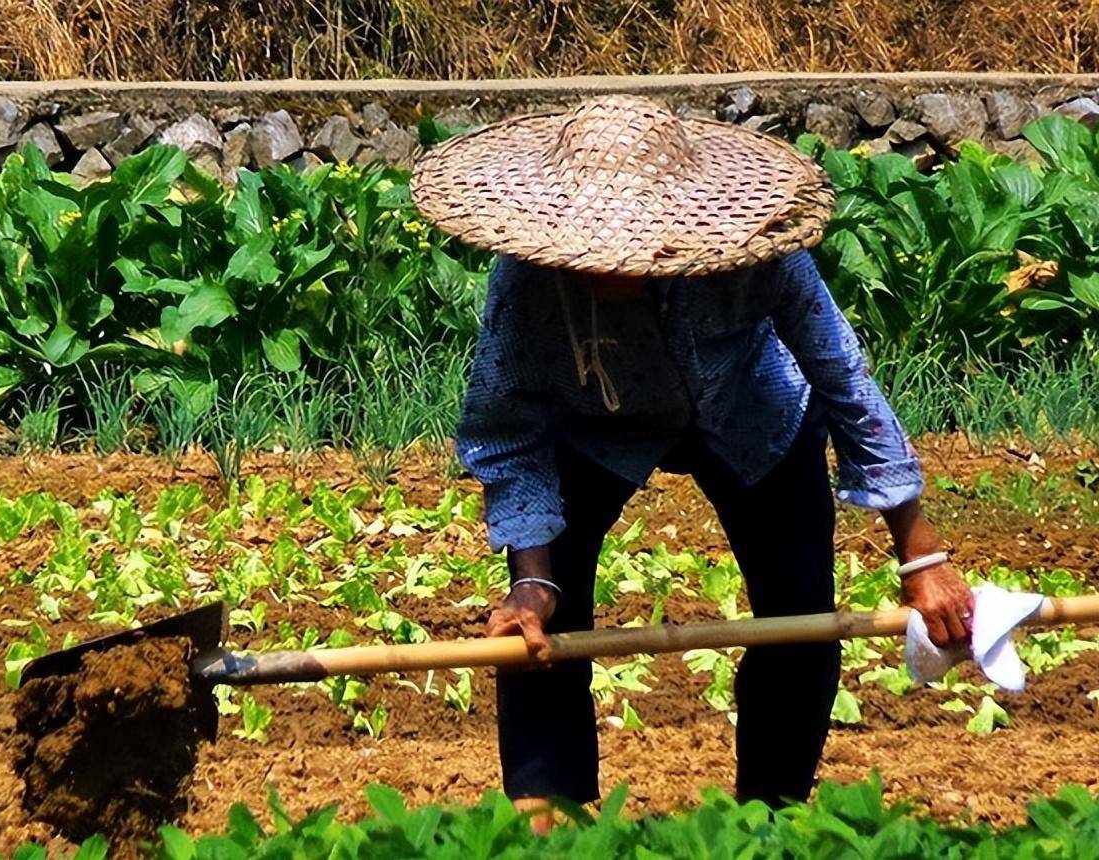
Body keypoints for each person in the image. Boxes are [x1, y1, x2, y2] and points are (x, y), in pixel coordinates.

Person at [409, 94, 973, 832]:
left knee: (800, 614)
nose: (605, 264)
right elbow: (508, 425)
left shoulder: (759, 248)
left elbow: (842, 375)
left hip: (752, 411)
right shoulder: (529, 279)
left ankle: (769, 822)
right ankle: (547, 822)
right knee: (536, 635)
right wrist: (534, 581)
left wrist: (917, 554)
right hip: (596, 422)